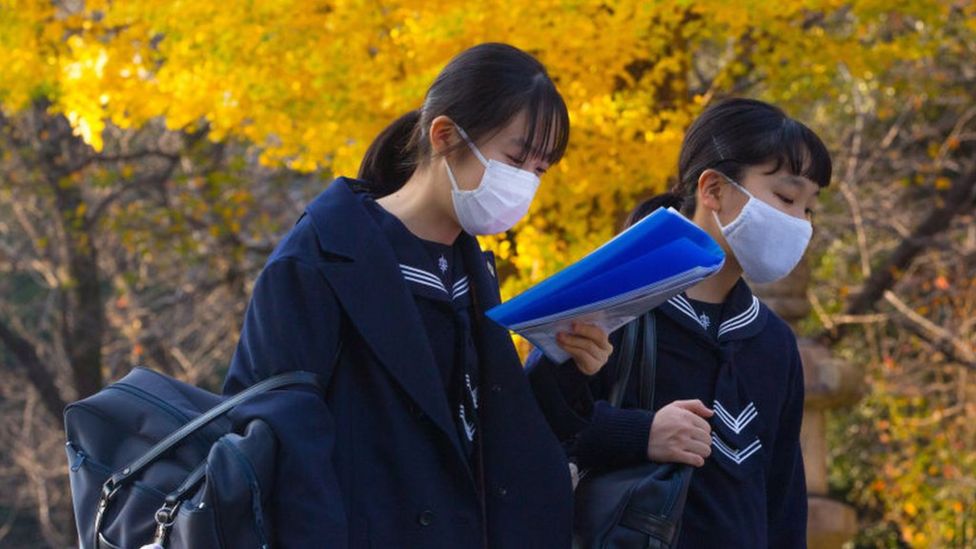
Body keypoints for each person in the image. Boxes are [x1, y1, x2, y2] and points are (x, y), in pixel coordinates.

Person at [222, 43, 612, 548]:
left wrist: (567, 363)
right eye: (515, 158)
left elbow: (490, 431)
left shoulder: (472, 271)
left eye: (540, 169)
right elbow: (279, 439)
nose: (525, 184)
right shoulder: (321, 259)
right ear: (445, 136)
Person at [529, 97, 832, 548]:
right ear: (713, 190)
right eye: (786, 197)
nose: (798, 223)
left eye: (809, 208)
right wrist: (640, 433)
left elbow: (782, 502)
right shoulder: (611, 300)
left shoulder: (774, 342)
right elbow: (531, 427)